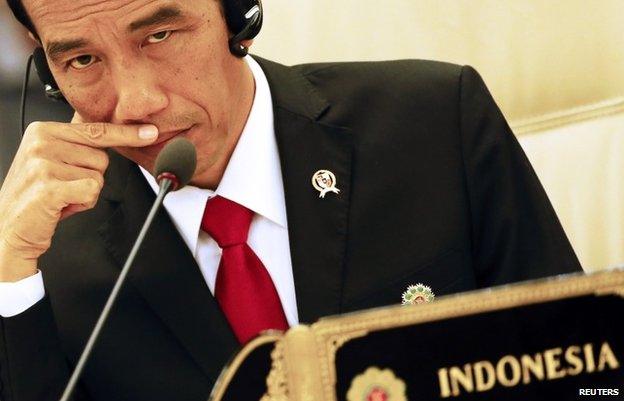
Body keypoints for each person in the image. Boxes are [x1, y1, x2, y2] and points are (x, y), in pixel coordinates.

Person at [0, 0, 582, 400]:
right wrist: (9, 278)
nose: (136, 102)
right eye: (81, 60)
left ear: (238, 14)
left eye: (159, 35)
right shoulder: (42, 253)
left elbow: (594, 373)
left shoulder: (435, 122)